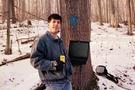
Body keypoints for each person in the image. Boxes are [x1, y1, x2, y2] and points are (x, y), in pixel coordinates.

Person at [30, 14, 73, 90]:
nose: (56, 24)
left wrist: (69, 69)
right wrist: (53, 64)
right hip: (53, 84)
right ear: (48, 24)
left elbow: (63, 60)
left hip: (66, 82)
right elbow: (35, 61)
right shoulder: (41, 40)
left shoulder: (60, 41)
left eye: (58, 22)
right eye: (53, 22)